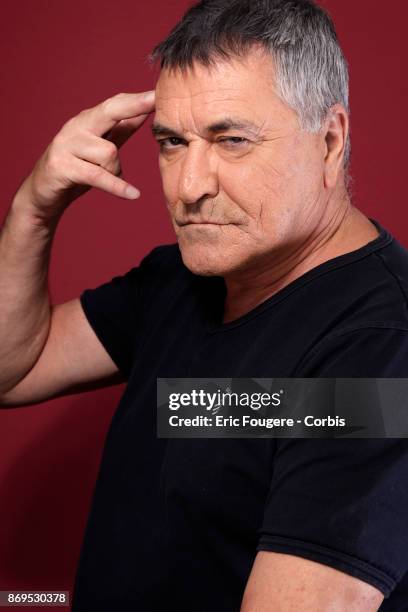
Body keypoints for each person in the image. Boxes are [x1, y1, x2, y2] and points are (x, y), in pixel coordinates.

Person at [1, 0, 408, 609]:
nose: (189, 187)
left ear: (329, 141)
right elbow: (14, 369)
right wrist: (34, 209)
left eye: (232, 140)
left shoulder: (378, 348)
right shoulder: (187, 277)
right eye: (171, 142)